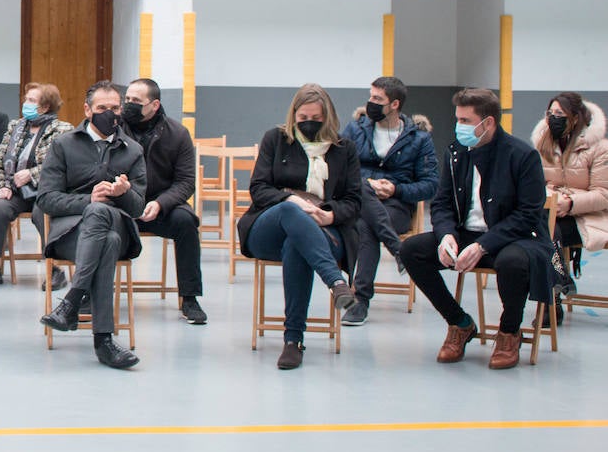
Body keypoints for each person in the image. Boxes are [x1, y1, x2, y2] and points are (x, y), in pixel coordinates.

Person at [400, 88, 555, 370]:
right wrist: (446, 235)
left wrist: (484, 245)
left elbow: (528, 215)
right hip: (465, 234)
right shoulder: (455, 152)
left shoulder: (522, 156)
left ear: (489, 123)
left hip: (515, 238)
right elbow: (443, 202)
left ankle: (509, 333)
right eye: (458, 119)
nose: (459, 126)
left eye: (466, 120)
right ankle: (459, 323)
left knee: (513, 263)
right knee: (412, 250)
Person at [236, 83, 361, 370]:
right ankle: (336, 282)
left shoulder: (345, 150)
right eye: (302, 118)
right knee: (291, 213)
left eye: (315, 119)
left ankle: (293, 341)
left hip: (324, 230)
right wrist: (293, 200)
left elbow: (354, 202)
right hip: (269, 224)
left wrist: (329, 215)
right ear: (294, 116)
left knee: (298, 243)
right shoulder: (276, 139)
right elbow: (259, 189)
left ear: (327, 118)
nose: (308, 124)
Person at [38, 80, 146, 370]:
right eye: (101, 108)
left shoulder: (132, 149)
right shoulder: (63, 145)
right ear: (87, 110)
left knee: (105, 223)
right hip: (71, 233)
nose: (109, 114)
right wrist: (88, 200)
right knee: (104, 235)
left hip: (120, 228)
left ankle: (71, 301)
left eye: (114, 108)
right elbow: (46, 199)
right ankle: (104, 341)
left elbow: (137, 208)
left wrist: (123, 194)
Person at [338, 76, 439, 326]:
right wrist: (369, 185)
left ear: (394, 104)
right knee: (361, 188)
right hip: (359, 200)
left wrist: (396, 189)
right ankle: (398, 250)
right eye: (370, 96)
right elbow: (339, 168)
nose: (370, 102)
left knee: (366, 226)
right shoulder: (355, 129)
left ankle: (360, 301)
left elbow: (430, 184)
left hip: (396, 206)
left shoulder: (419, 138)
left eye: (377, 99)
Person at [123, 78, 208, 325]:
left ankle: (189, 298)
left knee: (186, 221)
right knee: (99, 220)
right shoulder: (115, 129)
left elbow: (185, 182)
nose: (129, 105)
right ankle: (91, 293)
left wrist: (161, 203)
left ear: (155, 104)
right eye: (127, 99)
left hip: (161, 206)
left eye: (136, 101)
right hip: (124, 204)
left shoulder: (178, 133)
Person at [0, 82, 72, 286]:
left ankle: (54, 268)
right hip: (15, 190)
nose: (26, 103)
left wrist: (32, 174)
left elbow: (62, 166)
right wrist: (3, 185)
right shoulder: (16, 126)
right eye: (26, 99)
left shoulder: (63, 130)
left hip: (46, 191)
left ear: (46, 106)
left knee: (42, 213)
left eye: (32, 101)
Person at [534, 93, 608, 287]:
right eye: (550, 112)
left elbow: (603, 194)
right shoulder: (543, 145)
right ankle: (558, 282)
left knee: (546, 234)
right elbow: (537, 184)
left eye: (559, 113)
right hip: (552, 215)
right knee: (545, 230)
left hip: (589, 217)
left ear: (575, 118)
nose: (553, 117)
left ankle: (556, 291)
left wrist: (570, 203)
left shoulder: (600, 149)